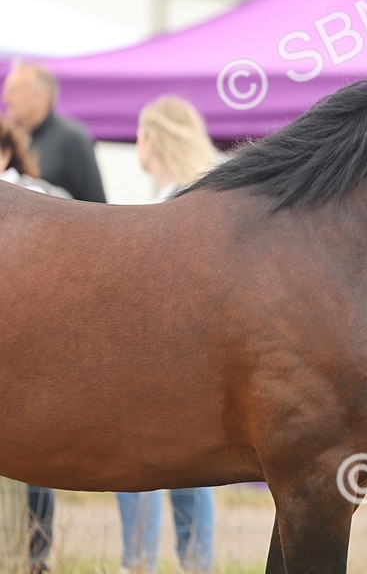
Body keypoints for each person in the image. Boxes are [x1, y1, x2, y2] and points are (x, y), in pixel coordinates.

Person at [3, 62, 105, 572]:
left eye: (15, 94)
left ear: (41, 96)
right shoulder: (17, 139)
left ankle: (38, 551)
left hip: (68, 292)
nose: (8, 101)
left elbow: (101, 212)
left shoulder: (72, 140)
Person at [115, 96, 219, 574]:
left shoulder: (173, 202)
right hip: (196, 359)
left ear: (151, 139)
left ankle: (139, 563)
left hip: (163, 358)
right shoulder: (199, 196)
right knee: (189, 470)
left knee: (136, 461)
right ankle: (195, 563)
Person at [2, 62, 106, 202]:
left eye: (13, 90)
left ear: (41, 97)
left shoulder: (71, 139)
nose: (5, 98)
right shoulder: (22, 139)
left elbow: (97, 203)